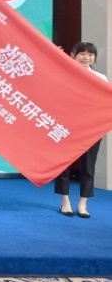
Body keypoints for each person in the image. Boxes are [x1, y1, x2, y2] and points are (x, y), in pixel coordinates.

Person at [55, 41, 106, 218]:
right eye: (82, 54)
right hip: (66, 127)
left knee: (88, 168)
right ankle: (65, 201)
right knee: (64, 166)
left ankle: (83, 204)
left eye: (90, 54)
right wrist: (54, 58)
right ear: (72, 55)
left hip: (91, 130)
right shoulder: (63, 74)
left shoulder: (101, 78)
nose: (86, 58)